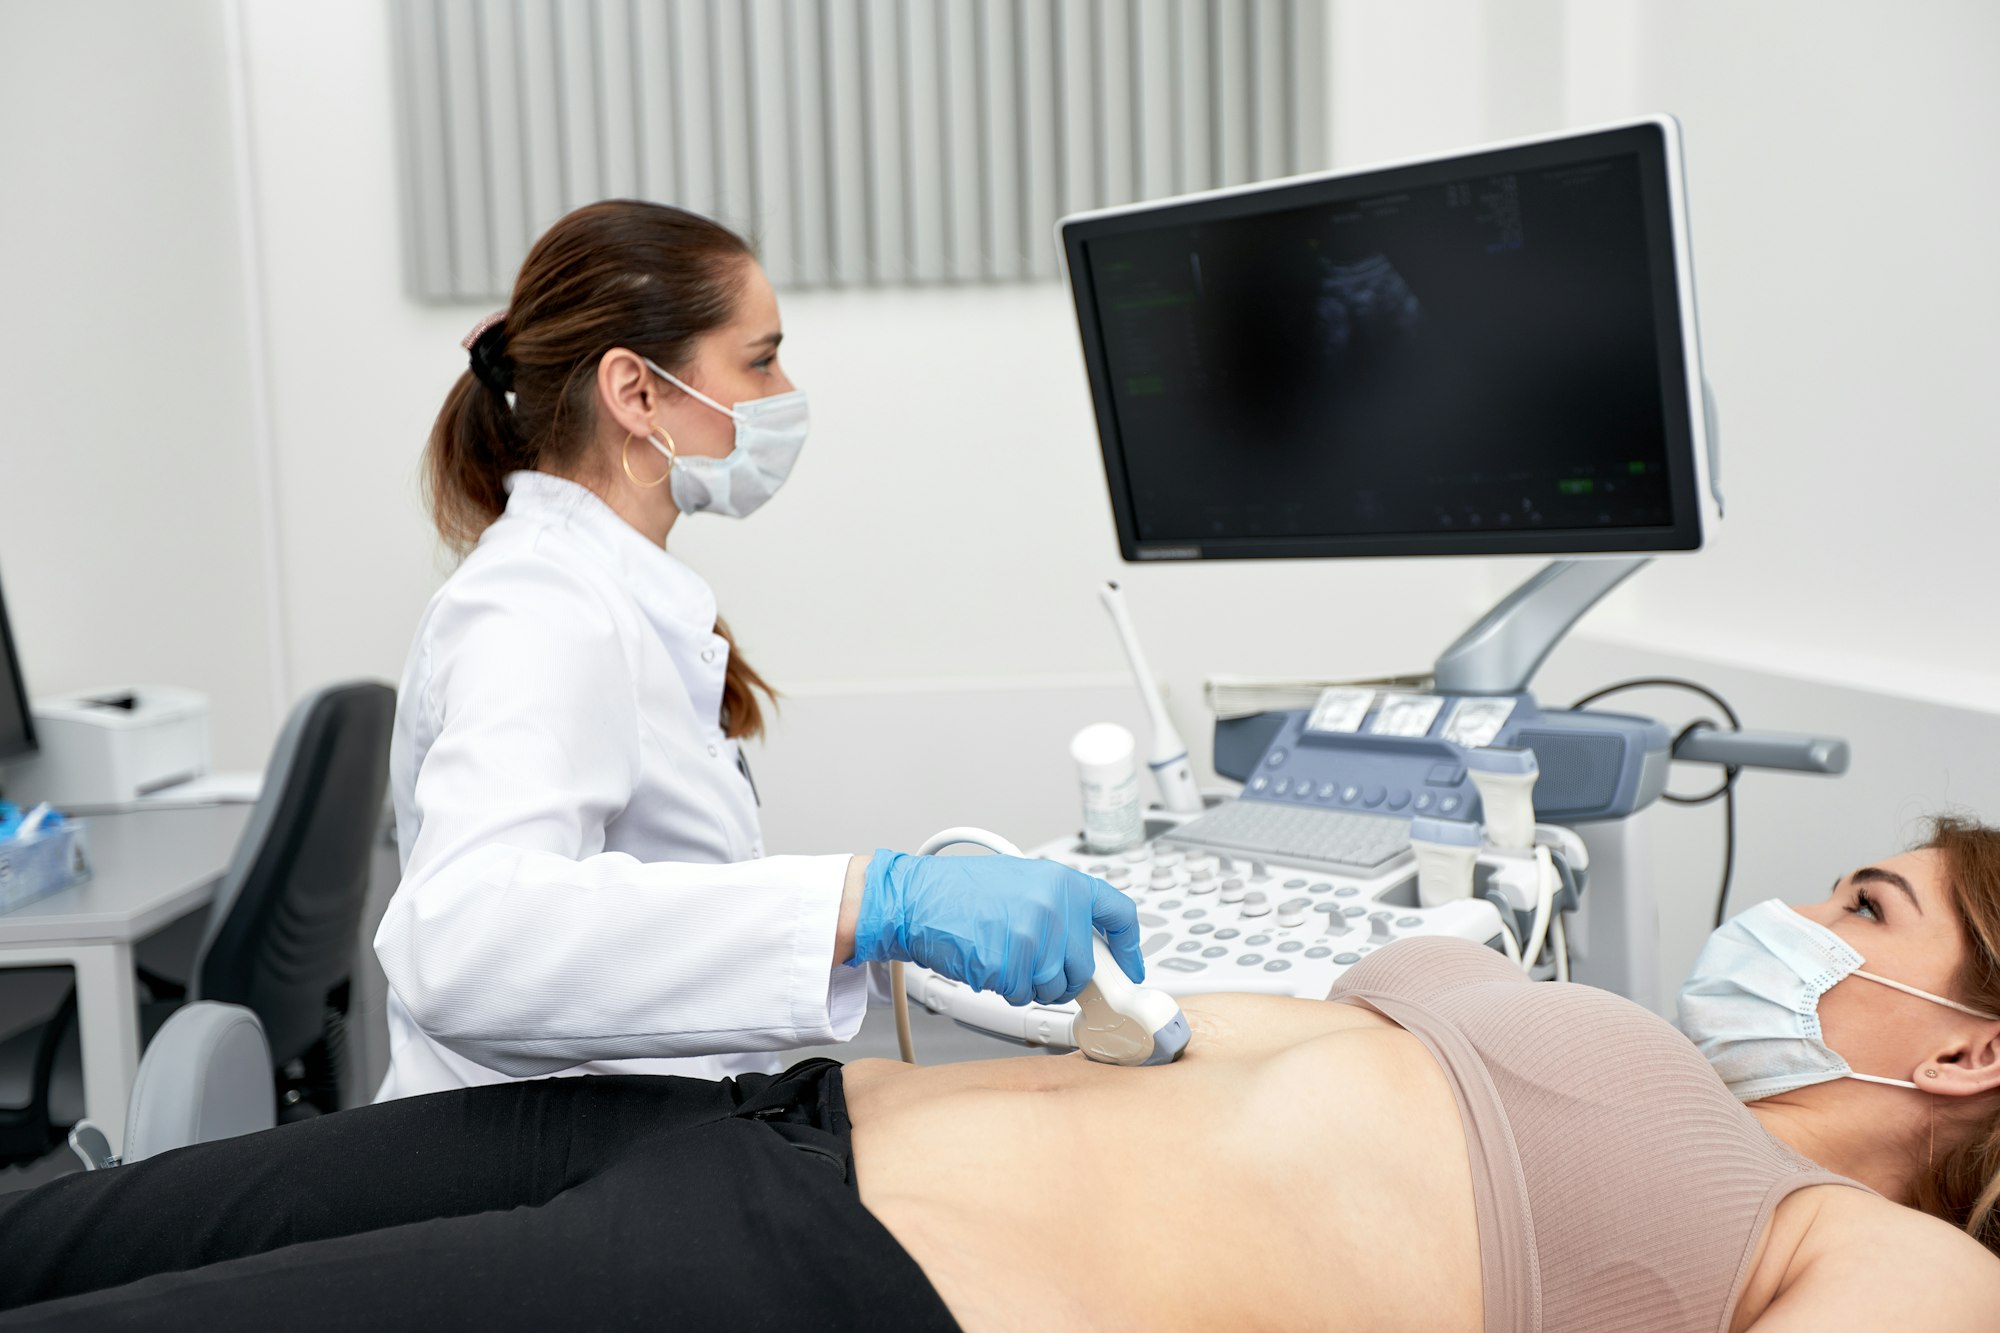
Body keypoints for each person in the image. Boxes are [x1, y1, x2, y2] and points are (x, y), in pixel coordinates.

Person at [7, 817, 2000, 1329]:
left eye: (1861, 908)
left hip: (832, 1289)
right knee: (60, 1237)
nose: (1800, 930)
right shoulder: (1649, 1052)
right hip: (748, 1123)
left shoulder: (1890, 1258)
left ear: (1971, 1049)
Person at [375, 199, 1143, 1100]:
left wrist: (874, 924)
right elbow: (467, 941)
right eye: (761, 359)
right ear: (637, 392)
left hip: (653, 1129)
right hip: (546, 1170)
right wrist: (869, 905)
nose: (784, 397)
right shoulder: (537, 609)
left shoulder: (609, 590)